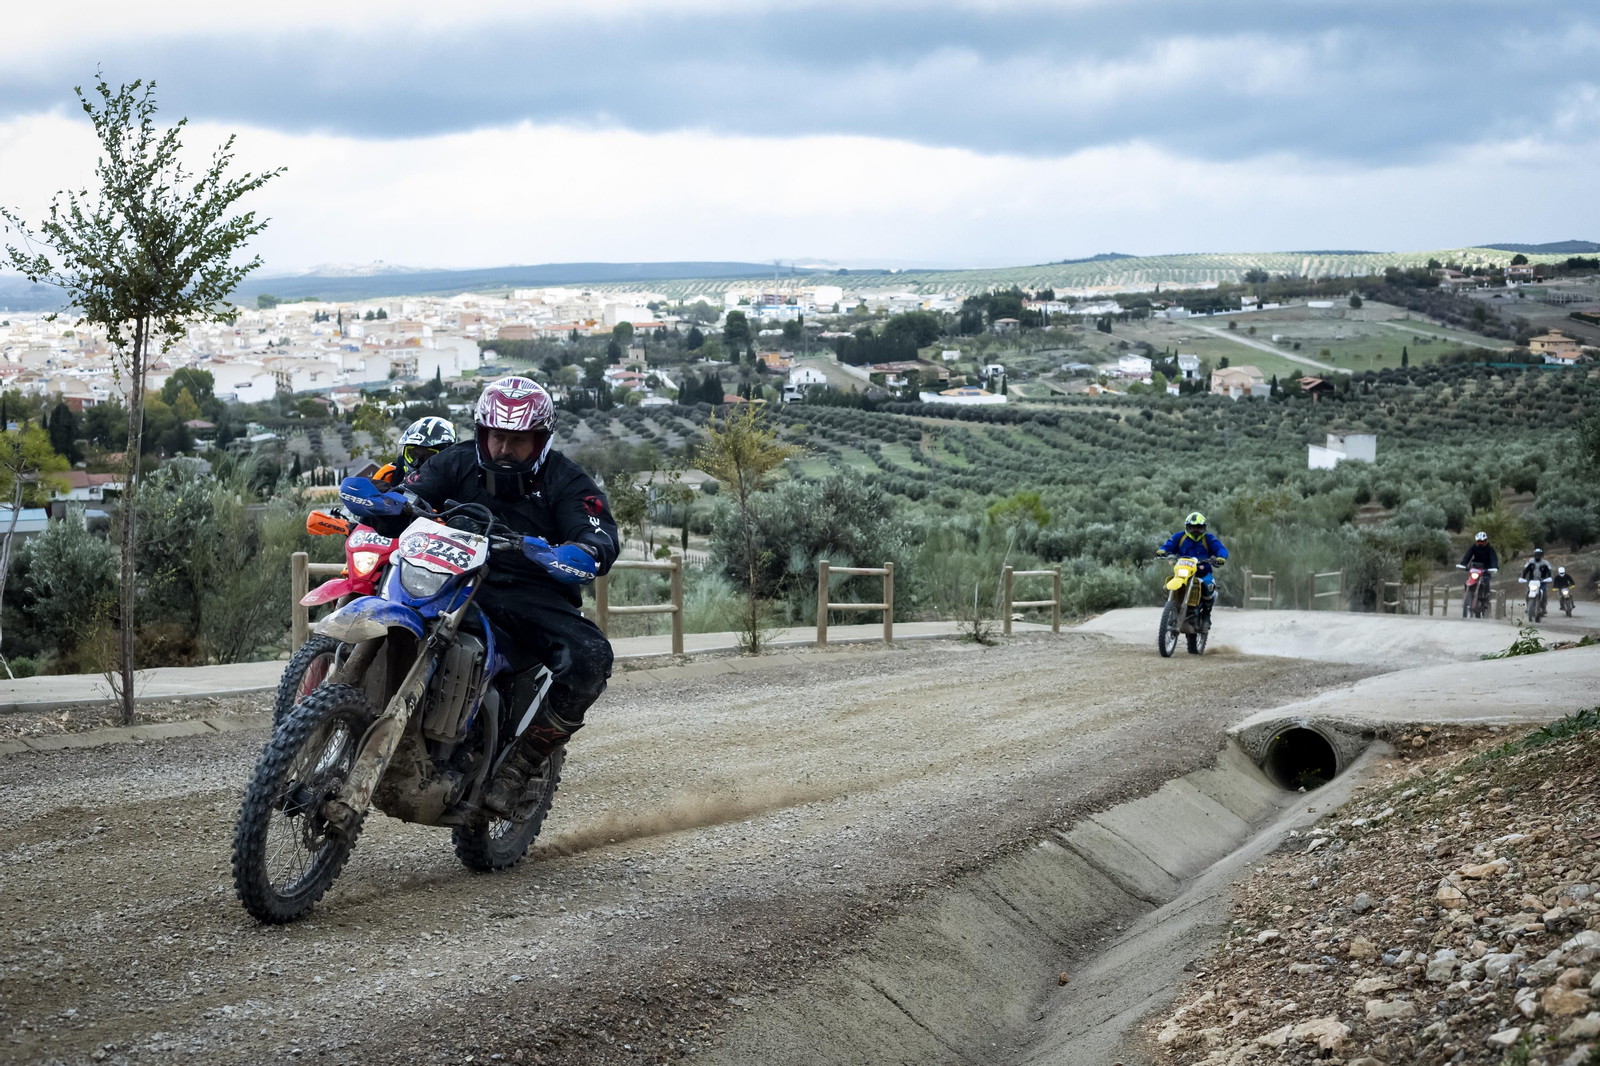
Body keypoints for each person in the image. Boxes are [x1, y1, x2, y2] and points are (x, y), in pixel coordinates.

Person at [369, 377, 619, 816]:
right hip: (451, 575)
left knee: (591, 656)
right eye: (497, 436)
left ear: (539, 440)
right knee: (381, 598)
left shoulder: (566, 480)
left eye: (518, 440)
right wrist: (389, 503)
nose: (504, 448)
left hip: (529, 590)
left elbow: (596, 533)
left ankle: (520, 764)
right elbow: (413, 494)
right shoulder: (457, 461)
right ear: (483, 432)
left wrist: (582, 551)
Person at [1156, 511, 1229, 627]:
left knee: (1208, 586)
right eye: (1192, 527)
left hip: (1202, 573)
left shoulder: (1208, 539)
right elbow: (1168, 545)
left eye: (1199, 528)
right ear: (1187, 527)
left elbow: (1221, 548)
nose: (1195, 530)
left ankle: (1206, 616)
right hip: (1182, 573)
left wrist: (1221, 557)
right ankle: (1171, 610)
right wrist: (1162, 551)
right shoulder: (1179, 537)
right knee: (1167, 585)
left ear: (1203, 528)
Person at [371, 416, 457, 488]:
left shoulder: (456, 480)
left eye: (428, 457)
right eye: (413, 455)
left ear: (445, 455)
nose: (417, 463)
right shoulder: (390, 472)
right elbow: (369, 498)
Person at [1457, 531, 1500, 611]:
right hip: (1475, 568)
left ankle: (1486, 600)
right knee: (1469, 580)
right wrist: (1464, 564)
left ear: (1486, 541)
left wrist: (1494, 567)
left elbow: (1493, 558)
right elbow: (1467, 556)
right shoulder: (1474, 547)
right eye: (1478, 541)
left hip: (1486, 569)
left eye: (1482, 541)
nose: (1480, 543)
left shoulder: (1490, 549)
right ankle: (1467, 595)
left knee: (1486, 581)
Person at [1520, 548, 1553, 615]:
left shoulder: (1545, 563)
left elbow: (1549, 572)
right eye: (1536, 554)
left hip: (1542, 581)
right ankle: (1528, 607)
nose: (1537, 556)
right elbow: (1525, 570)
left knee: (1544, 594)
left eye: (1539, 554)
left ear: (1541, 555)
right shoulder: (1530, 562)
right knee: (1528, 593)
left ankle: (1544, 608)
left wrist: (1549, 578)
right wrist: (1522, 578)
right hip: (1531, 581)